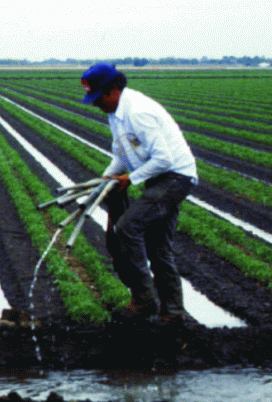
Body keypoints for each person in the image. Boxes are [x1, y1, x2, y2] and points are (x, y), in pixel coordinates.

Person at [81, 62, 198, 322]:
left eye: (98, 97)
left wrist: (130, 179)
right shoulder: (116, 114)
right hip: (158, 178)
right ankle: (174, 314)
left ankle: (144, 300)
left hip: (175, 178)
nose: (96, 104)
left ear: (112, 89)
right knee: (159, 249)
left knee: (127, 227)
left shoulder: (139, 112)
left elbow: (164, 159)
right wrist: (109, 176)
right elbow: (122, 153)